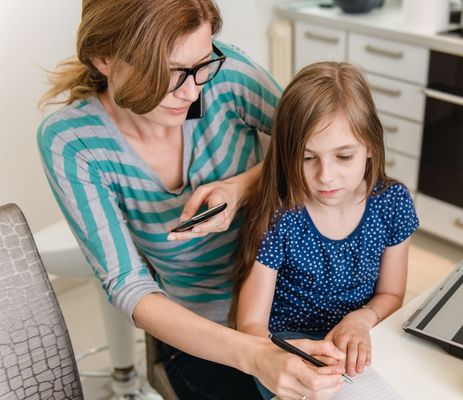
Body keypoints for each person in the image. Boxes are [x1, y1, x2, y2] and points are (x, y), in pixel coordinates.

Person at [37, 1, 346, 399]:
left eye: (202, 64)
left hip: (299, 293)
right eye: (167, 74)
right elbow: (129, 285)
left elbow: (316, 144)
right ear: (104, 59)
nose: (192, 90)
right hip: (206, 333)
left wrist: (242, 188)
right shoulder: (72, 141)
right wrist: (256, 355)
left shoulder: (222, 75)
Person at [231, 62, 420, 399]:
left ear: (371, 147)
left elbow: (391, 295)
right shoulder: (279, 214)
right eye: (307, 158)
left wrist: (362, 319)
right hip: (288, 348)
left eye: (344, 157)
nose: (325, 176)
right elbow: (250, 326)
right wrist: (290, 356)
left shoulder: (392, 203)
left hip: (360, 338)